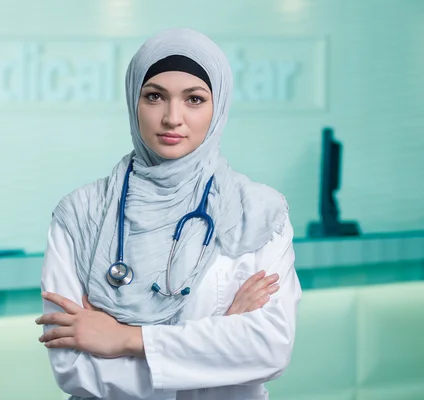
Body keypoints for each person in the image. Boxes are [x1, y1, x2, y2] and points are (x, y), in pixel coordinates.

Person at [36, 28, 302, 400]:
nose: (172, 117)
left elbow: (269, 349)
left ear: (218, 106)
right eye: (155, 96)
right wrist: (220, 337)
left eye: (194, 99)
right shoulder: (81, 215)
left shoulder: (257, 212)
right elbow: (76, 370)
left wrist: (126, 338)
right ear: (134, 101)